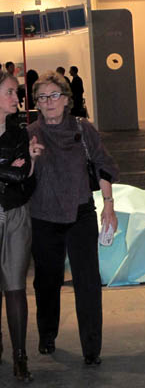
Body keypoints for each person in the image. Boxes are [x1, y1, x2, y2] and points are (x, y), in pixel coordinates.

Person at [27, 71, 119, 366]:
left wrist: (108, 206)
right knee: (46, 282)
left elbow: (103, 165)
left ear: (66, 99)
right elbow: (21, 179)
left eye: (54, 95)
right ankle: (47, 334)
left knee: (88, 282)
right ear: (36, 103)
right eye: (42, 97)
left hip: (81, 214)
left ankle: (92, 349)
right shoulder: (30, 133)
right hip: (43, 217)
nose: (49, 102)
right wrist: (30, 159)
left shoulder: (84, 129)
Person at [0, 71, 33, 381]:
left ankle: (20, 356)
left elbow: (22, 175)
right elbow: (12, 171)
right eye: (10, 92)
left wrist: (11, 170)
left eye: (16, 92)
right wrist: (6, 168)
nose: (16, 98)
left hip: (15, 214)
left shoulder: (19, 133)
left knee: (15, 287)